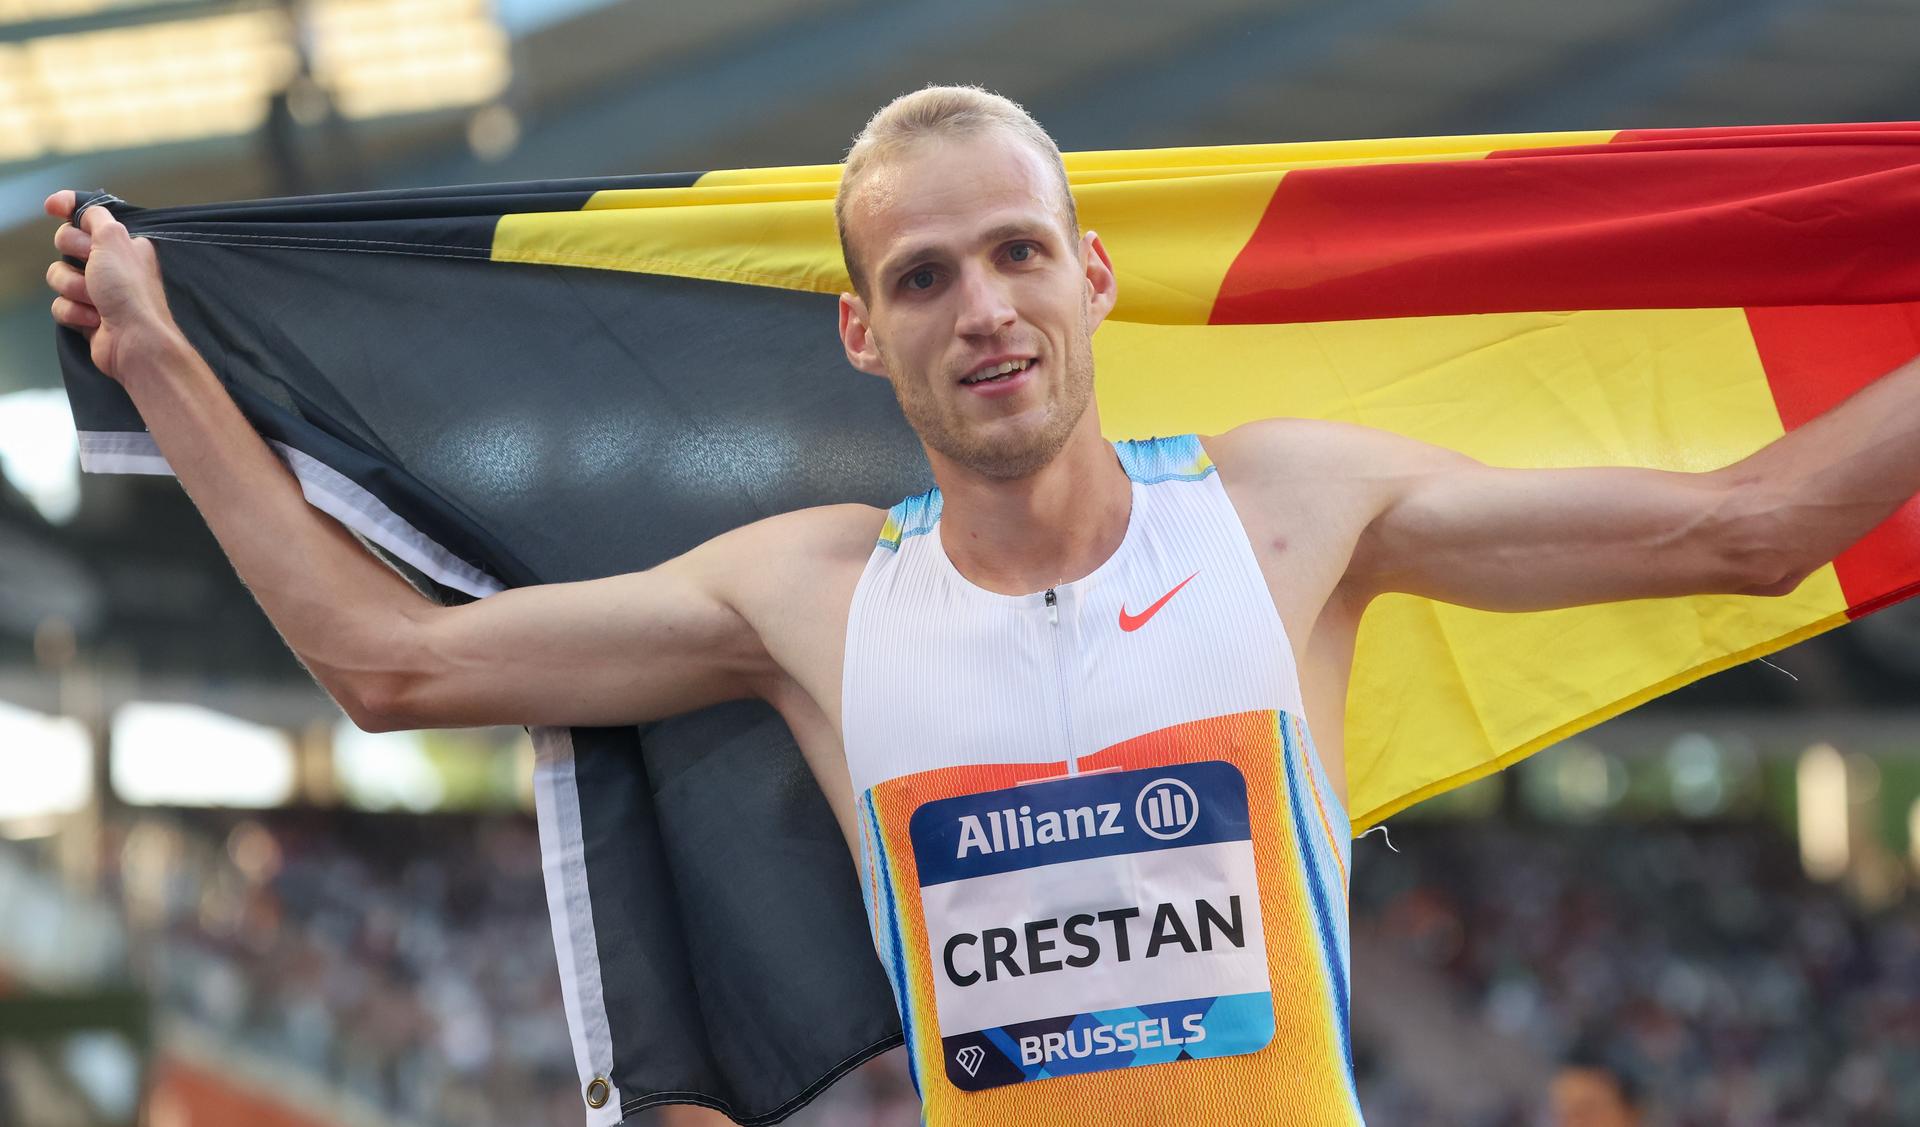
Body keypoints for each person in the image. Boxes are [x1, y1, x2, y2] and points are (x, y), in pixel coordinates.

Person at [42, 85, 1920, 1125]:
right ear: (863, 332)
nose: (986, 309)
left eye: (1020, 253)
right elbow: (394, 665)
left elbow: (1749, 528)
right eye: (926, 277)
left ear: (1094, 277)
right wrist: (175, 374)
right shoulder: (808, 597)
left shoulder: (1288, 512)